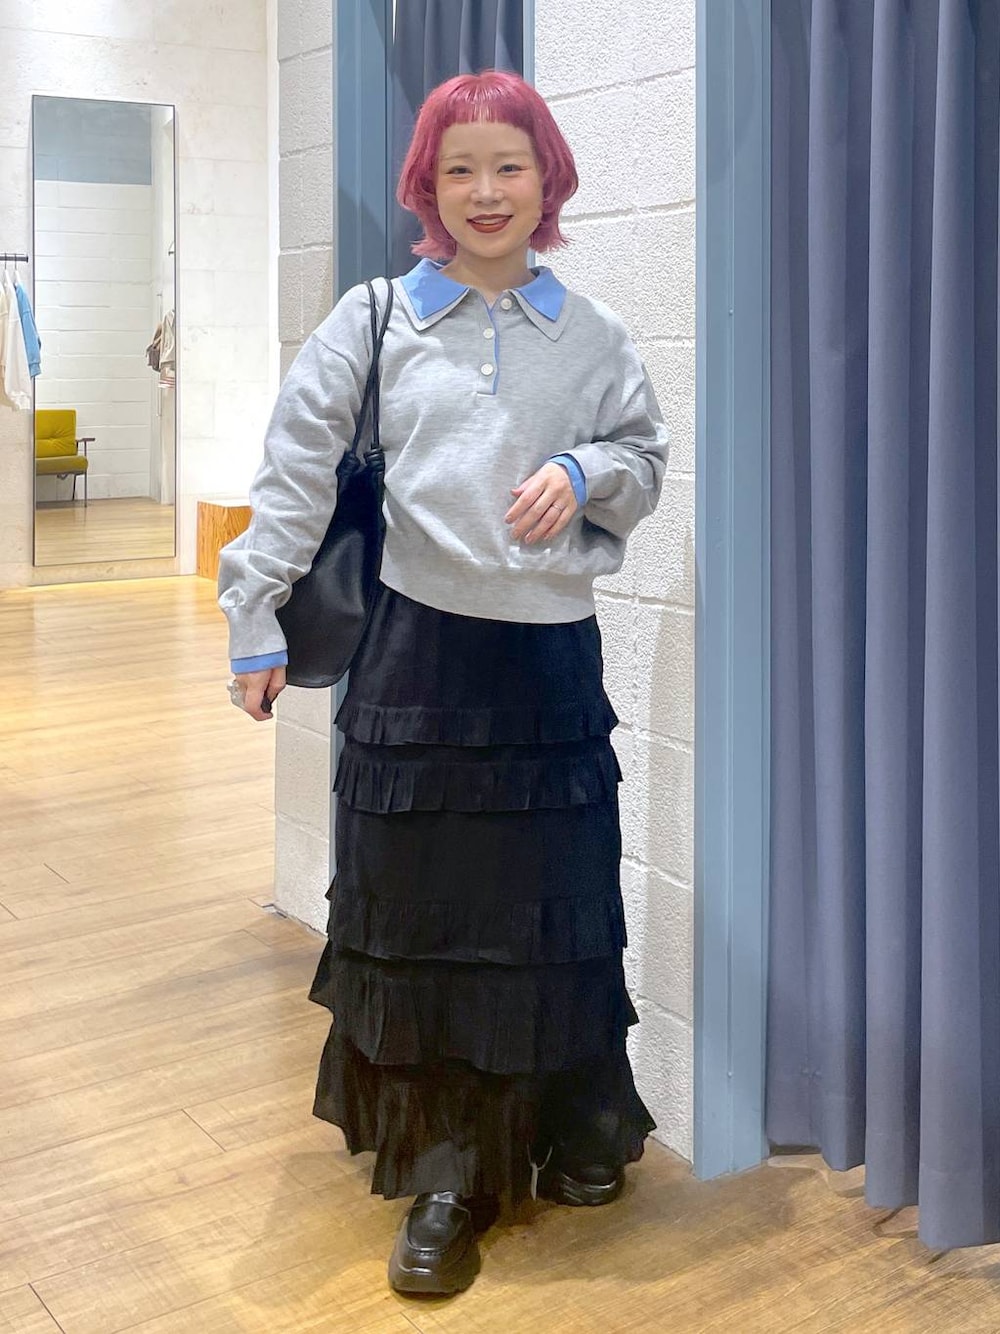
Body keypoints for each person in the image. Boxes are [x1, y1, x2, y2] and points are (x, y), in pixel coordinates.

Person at [219, 70, 669, 1297]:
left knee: (551, 905)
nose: (485, 190)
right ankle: (448, 1171)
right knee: (431, 918)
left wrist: (584, 470)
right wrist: (253, 614)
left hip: (549, 662)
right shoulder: (373, 319)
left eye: (508, 165)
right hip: (416, 661)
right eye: (459, 167)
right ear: (427, 185)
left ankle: (569, 1118)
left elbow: (643, 455)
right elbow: (296, 469)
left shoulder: (593, 334)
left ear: (546, 180)